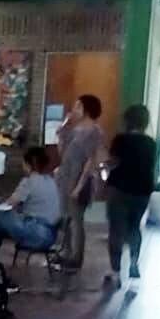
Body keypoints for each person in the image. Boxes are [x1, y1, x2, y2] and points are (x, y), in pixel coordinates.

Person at [105, 104, 157, 287]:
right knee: (135, 227)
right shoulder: (151, 143)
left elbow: (113, 162)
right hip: (142, 191)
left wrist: (103, 166)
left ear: (127, 120)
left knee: (116, 230)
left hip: (119, 189)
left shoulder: (120, 140)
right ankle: (134, 262)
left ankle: (115, 271)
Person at [55, 93, 106, 270]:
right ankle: (65, 252)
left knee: (76, 219)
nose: (74, 109)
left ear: (86, 109)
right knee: (65, 217)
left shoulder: (94, 131)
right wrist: (64, 128)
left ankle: (77, 257)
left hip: (81, 179)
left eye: (78, 106)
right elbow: (62, 152)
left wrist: (79, 186)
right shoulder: (74, 130)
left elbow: (90, 160)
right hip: (66, 176)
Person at [0, 146, 61, 258]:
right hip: (50, 237)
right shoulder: (52, 181)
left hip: (34, 234)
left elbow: (8, 205)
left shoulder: (29, 181)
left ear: (28, 164)